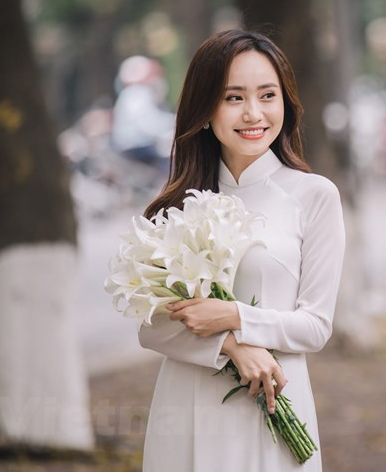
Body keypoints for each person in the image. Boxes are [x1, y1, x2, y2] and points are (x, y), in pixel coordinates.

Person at [138, 30, 345, 471]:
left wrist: (234, 316)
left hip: (271, 402)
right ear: (205, 108)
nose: (253, 113)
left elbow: (315, 327)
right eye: (234, 98)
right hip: (188, 402)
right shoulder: (178, 203)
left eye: (267, 95)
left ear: (285, 103)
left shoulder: (313, 196)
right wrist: (231, 346)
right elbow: (151, 327)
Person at [110, 55, 175, 173]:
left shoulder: (131, 94)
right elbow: (147, 124)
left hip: (132, 144)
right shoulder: (137, 93)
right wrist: (173, 123)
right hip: (135, 145)